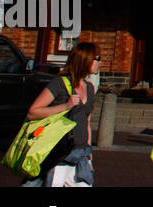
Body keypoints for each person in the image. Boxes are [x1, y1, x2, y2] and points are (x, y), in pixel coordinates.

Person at [24, 41, 100, 186]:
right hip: (60, 153)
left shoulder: (89, 88)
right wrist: (66, 106)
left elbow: (86, 121)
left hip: (81, 154)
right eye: (98, 58)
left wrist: (89, 154)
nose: (100, 62)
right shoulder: (59, 84)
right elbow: (33, 112)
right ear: (85, 60)